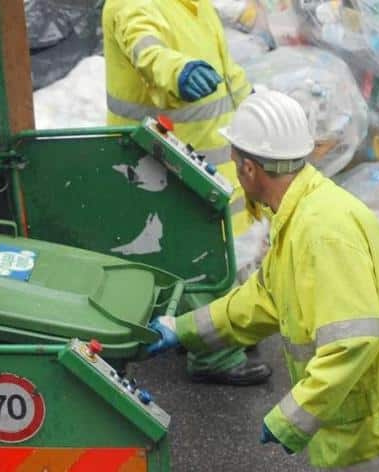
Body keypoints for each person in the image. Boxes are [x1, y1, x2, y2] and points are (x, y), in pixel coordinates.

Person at [147, 90, 379, 470]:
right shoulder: (300, 214)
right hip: (374, 419)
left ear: (251, 169)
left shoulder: (321, 232)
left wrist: (291, 418)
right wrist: (182, 329)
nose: (234, 171)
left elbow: (350, 344)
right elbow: (263, 298)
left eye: (236, 162)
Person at [103, 0, 270, 385]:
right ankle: (215, 355)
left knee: (214, 252)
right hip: (164, 157)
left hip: (199, 157)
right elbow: (147, 50)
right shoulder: (134, 5)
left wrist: (251, 102)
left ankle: (210, 330)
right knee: (198, 260)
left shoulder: (192, 5)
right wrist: (178, 73)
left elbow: (225, 68)